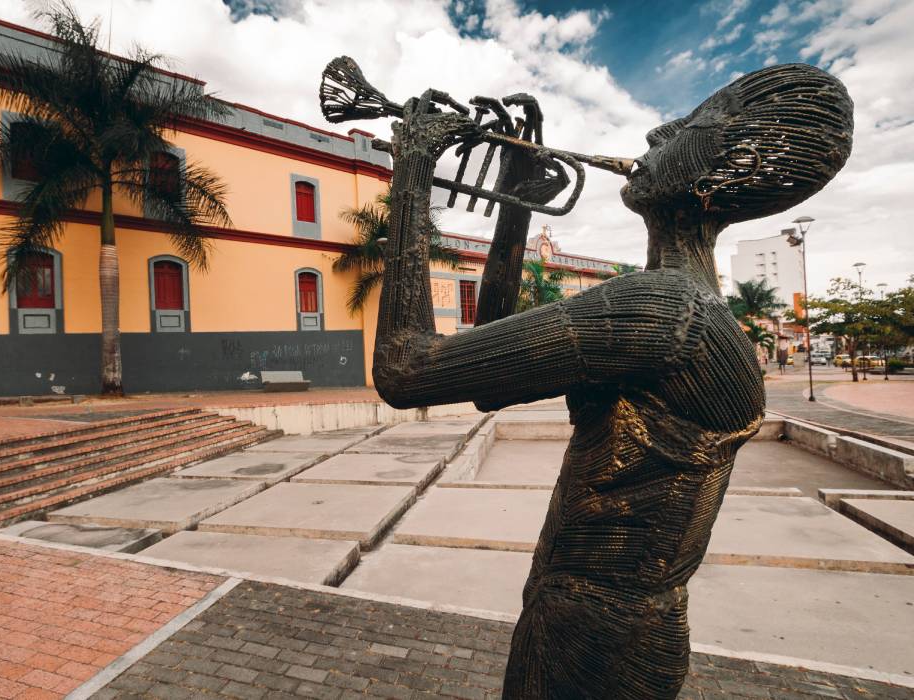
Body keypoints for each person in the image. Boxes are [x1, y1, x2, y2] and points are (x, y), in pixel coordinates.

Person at [364, 64, 853, 699]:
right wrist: (516, 206)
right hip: (605, 622)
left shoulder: (660, 309)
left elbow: (406, 370)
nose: (656, 132)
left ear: (711, 174)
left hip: (591, 635)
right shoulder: (690, 303)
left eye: (688, 126)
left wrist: (411, 175)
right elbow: (490, 375)